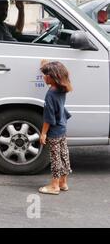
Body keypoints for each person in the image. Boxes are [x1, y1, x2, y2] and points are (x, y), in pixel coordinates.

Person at [38, 60, 73, 195]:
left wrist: (43, 134)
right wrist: (45, 65)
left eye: (45, 75)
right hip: (62, 128)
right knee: (64, 155)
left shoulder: (50, 94)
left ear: (52, 77)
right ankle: (63, 183)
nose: (43, 77)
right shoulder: (62, 88)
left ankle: (54, 186)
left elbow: (48, 117)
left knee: (55, 158)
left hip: (53, 131)